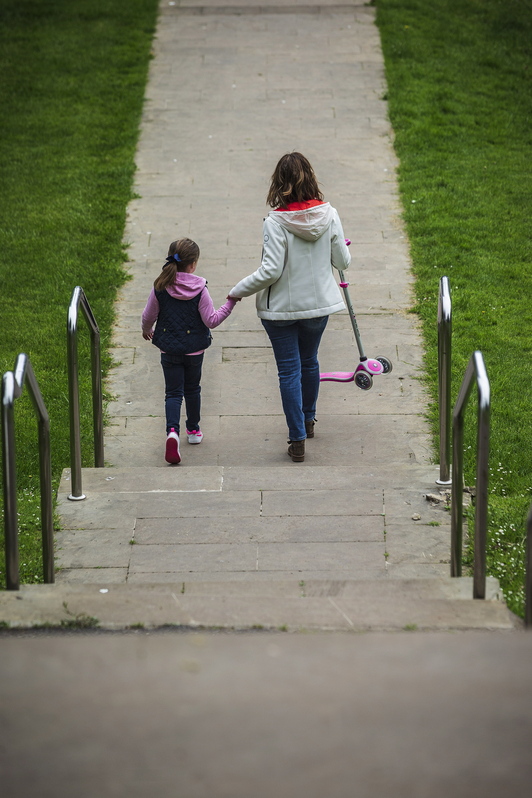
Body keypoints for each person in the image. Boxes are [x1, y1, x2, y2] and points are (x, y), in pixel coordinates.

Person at [228, 152, 351, 462]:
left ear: (278, 184)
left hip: (280, 310)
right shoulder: (330, 214)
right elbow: (342, 262)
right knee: (310, 360)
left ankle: (296, 438)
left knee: (288, 372)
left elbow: (270, 271)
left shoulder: (275, 222)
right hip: (319, 306)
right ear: (310, 178)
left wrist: (236, 291)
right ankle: (308, 420)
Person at [142, 238, 238, 464]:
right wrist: (231, 303)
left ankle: (172, 432)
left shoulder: (160, 287)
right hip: (195, 351)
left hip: (169, 349)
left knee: (173, 392)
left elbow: (148, 316)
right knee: (193, 389)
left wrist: (147, 330)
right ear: (193, 264)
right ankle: (193, 431)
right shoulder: (200, 289)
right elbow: (211, 320)